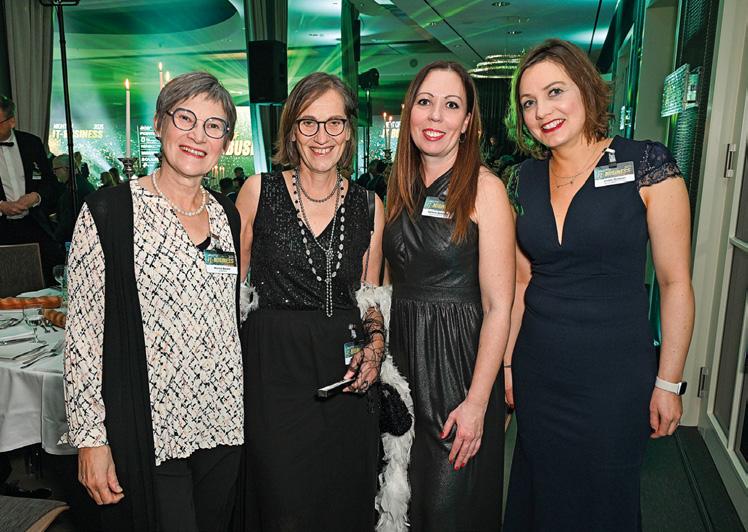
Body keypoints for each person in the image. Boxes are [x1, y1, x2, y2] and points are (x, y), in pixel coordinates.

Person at [502, 39, 695, 531]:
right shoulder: (521, 179)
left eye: (555, 92)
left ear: (587, 88)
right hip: (539, 371)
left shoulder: (647, 164)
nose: (542, 111)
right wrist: (507, 365)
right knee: (541, 493)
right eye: (529, 102)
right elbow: (522, 283)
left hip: (615, 376)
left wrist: (668, 382)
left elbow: (674, 283)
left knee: (606, 501)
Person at [62, 71, 244, 531]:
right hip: (151, 429)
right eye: (185, 118)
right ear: (160, 124)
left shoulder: (227, 215)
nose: (197, 135)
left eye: (213, 126)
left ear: (225, 142)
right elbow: (83, 337)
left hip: (224, 423)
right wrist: (91, 439)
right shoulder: (109, 212)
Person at [234, 72, 386, 531]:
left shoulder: (370, 204)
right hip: (273, 369)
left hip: (345, 372)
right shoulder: (258, 191)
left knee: (343, 497)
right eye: (309, 123)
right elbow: (230, 290)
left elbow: (370, 296)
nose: (322, 136)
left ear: (349, 130)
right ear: (292, 131)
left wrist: (376, 349)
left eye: (334, 123)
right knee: (283, 500)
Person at [383, 60, 515, 531]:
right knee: (404, 502)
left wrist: (478, 402)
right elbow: (387, 283)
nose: (436, 115)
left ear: (467, 121)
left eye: (451, 104)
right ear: (410, 112)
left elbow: (499, 307)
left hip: (456, 368)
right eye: (425, 102)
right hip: (403, 364)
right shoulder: (399, 186)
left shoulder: (486, 189)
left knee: (448, 509)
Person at [0, 95, 60, 283]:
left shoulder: (31, 143)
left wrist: (35, 197)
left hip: (33, 224)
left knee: (42, 280)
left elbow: (51, 183)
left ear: (12, 121)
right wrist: (1, 206)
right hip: (2, 228)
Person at [51, 154, 96, 243]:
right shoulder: (82, 183)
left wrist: (54, 240)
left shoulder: (73, 189)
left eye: (55, 169)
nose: (54, 173)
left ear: (66, 168)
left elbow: (67, 222)